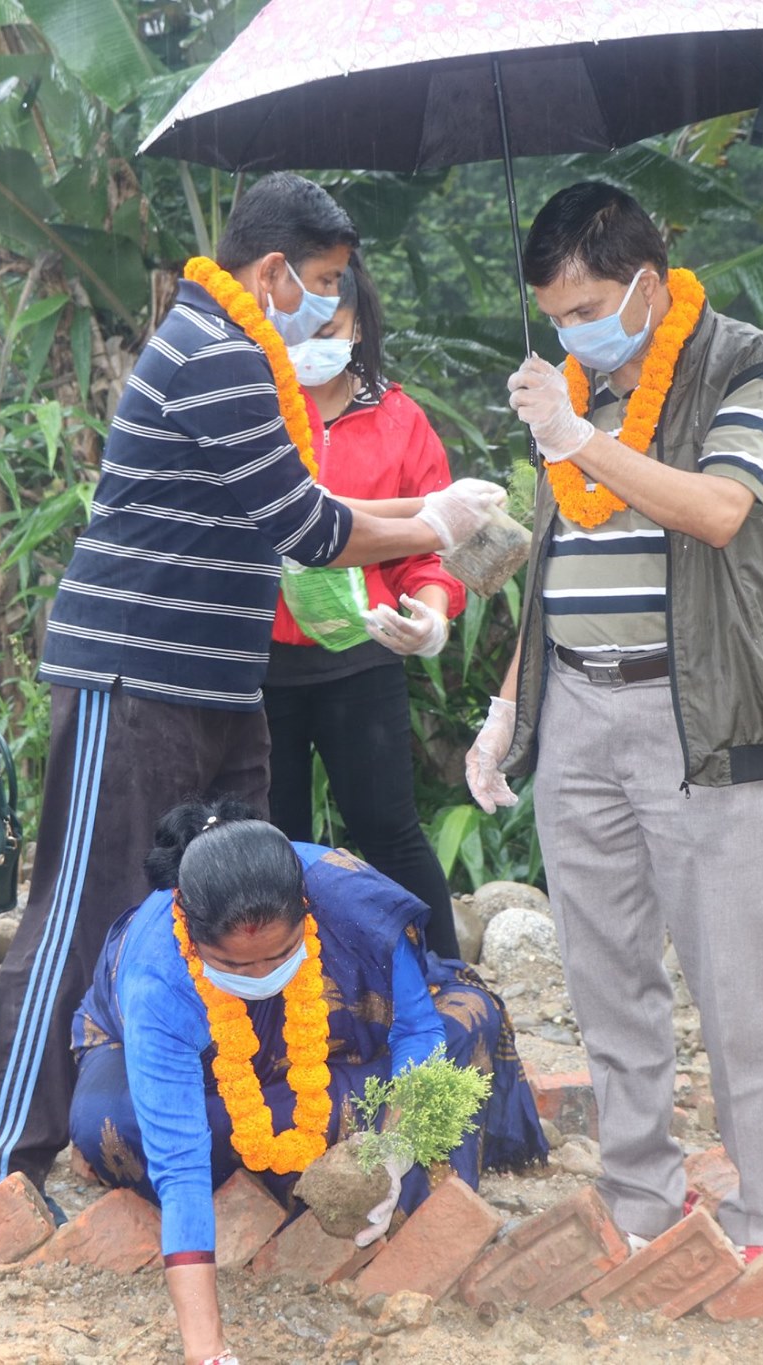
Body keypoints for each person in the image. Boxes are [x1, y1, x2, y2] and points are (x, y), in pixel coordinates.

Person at [0, 173, 506, 1201]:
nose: (332, 309)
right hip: (135, 673)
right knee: (87, 903)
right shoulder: (216, 354)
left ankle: (202, 1126)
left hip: (212, 679)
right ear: (272, 272)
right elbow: (308, 526)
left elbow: (293, 510)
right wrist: (434, 525)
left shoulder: (235, 350)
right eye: (324, 284)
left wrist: (424, 522)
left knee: (224, 901)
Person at [466, 182, 763, 1258]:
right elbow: (560, 562)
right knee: (603, 969)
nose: (572, 333)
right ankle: (638, 1201)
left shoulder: (745, 364)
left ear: (649, 286)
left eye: (586, 308)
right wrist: (507, 705)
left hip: (690, 706)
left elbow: (716, 510)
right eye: (555, 315)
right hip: (573, 705)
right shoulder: (570, 390)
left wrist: (576, 438)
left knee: (732, 976)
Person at [70, 801, 545, 1365]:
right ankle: (327, 1141)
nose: (260, 975)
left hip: (331, 1038)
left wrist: (396, 1148)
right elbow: (180, 1168)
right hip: (198, 1072)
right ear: (192, 937)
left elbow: (417, 1027)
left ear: (306, 909)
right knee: (120, 1128)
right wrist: (208, 1353)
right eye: (236, 965)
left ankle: (361, 1161)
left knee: (468, 1018)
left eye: (278, 954)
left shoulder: (352, 902)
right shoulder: (160, 977)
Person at [264, 253, 464, 959]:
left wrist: (432, 614)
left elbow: (433, 547)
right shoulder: (252, 406)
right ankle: (281, 1009)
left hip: (361, 657)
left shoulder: (399, 419)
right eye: (299, 328)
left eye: (333, 325)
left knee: (389, 829)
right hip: (255, 666)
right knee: (265, 843)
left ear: (358, 326)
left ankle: (443, 987)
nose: (313, 344)